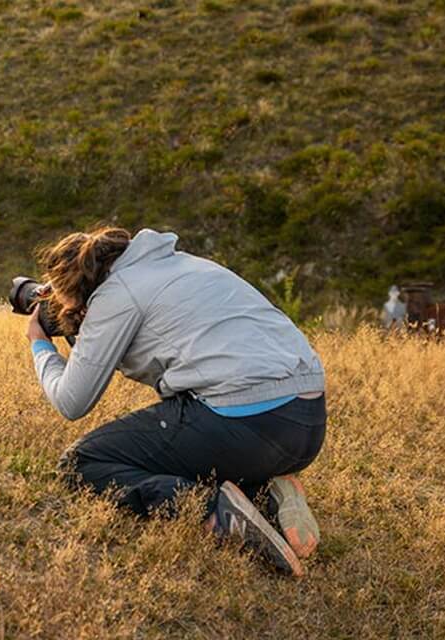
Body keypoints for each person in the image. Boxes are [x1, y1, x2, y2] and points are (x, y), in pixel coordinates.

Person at [25, 227, 327, 576]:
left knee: (83, 462)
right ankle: (265, 491)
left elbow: (71, 401)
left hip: (246, 426)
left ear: (77, 289)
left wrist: (40, 343)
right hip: (306, 423)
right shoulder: (186, 265)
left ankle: (214, 511)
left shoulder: (116, 294)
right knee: (177, 441)